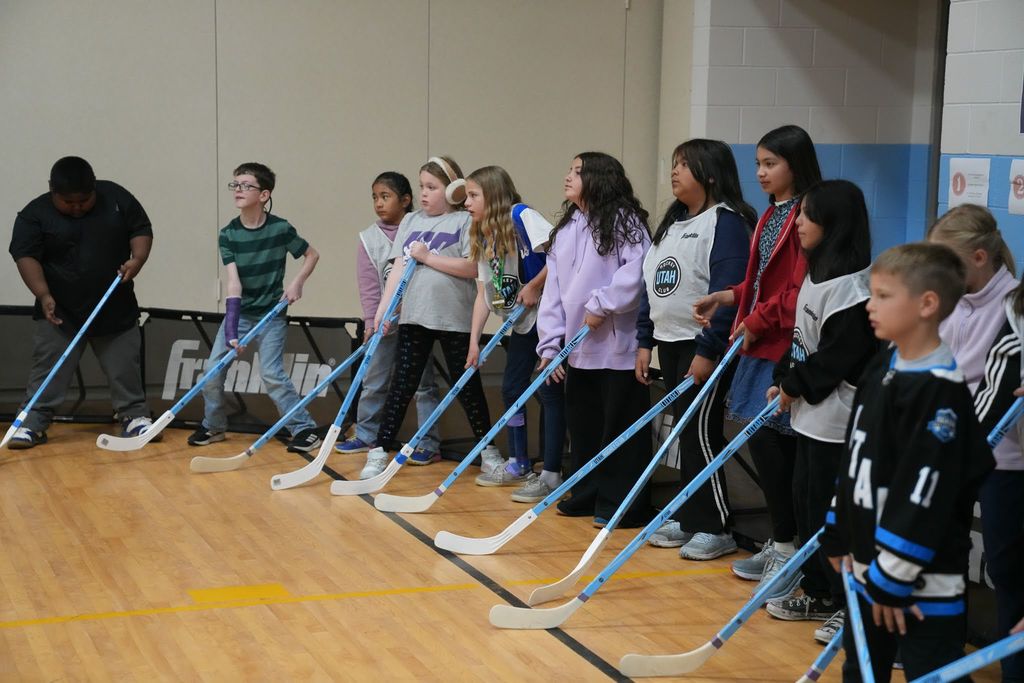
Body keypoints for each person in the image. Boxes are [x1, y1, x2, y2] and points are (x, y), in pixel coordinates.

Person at [822, 242, 994, 682]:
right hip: (866, 569)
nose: (869, 306)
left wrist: (892, 577)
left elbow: (925, 494)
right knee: (861, 670)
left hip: (919, 583)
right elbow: (855, 457)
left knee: (933, 672)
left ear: (927, 304)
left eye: (882, 296)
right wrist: (838, 530)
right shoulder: (881, 368)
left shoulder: (940, 394)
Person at [694, 124, 823, 598]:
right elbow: (763, 281)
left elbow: (797, 292)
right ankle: (781, 538)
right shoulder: (772, 214)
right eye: (758, 165)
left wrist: (758, 318)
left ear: (796, 164)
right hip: (758, 341)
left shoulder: (809, 212)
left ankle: (791, 548)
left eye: (771, 164)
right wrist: (730, 296)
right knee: (766, 449)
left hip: (784, 346)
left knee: (782, 452)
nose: (762, 173)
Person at [763, 180, 877, 644]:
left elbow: (836, 358)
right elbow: (800, 341)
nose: (799, 223)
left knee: (833, 517)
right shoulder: (814, 274)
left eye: (807, 215)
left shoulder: (854, 289)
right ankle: (817, 589)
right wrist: (782, 375)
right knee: (805, 505)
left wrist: (796, 385)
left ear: (833, 223)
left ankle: (846, 604)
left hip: (839, 421)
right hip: (809, 419)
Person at [635, 139, 753, 560]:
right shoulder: (671, 225)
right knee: (684, 432)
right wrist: (644, 341)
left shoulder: (726, 222)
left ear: (710, 172)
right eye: (673, 164)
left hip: (703, 345)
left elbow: (729, 291)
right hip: (670, 343)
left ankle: (713, 525)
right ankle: (690, 515)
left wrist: (709, 348)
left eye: (684, 165)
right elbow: (650, 287)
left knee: (700, 430)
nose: (675, 171)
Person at [360, 156, 501, 479]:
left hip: (453, 317)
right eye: (422, 186)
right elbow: (397, 268)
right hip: (414, 316)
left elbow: (471, 267)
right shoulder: (410, 222)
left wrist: (427, 257)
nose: (424, 193)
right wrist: (382, 313)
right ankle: (380, 450)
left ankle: (489, 451)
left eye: (432, 187)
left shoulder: (466, 221)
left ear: (453, 190)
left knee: (467, 387)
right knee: (402, 385)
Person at [536, 152, 653, 528]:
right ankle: (587, 493)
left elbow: (636, 274)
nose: (568, 176)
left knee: (619, 428)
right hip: (577, 349)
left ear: (600, 178)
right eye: (569, 169)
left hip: (617, 348)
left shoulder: (625, 221)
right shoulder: (568, 227)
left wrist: (602, 304)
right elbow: (553, 292)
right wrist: (550, 344)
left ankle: (623, 504)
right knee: (583, 427)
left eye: (578, 171)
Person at [8, 156, 156, 448]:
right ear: (52, 191)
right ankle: (32, 423)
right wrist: (44, 295)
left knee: (124, 366)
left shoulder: (116, 197)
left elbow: (141, 229)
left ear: (94, 189)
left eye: (84, 200)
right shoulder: (34, 214)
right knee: (49, 369)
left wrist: (136, 260)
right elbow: (25, 256)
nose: (76, 207)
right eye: (68, 202)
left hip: (114, 306)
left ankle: (134, 417)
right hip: (60, 311)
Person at [187, 162, 321, 452]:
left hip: (272, 314)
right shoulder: (228, 234)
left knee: (272, 374)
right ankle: (214, 426)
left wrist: (297, 282)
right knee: (212, 371)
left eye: (246, 185)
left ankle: (305, 429)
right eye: (235, 184)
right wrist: (232, 329)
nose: (238, 190)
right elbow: (233, 284)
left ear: (263, 195)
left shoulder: (280, 229)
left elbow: (311, 255)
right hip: (242, 313)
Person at [462, 165, 566, 502]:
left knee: (549, 393)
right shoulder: (481, 234)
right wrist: (474, 341)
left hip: (546, 319)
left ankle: (551, 472)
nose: (467, 203)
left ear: (492, 195)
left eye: (473, 195)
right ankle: (518, 461)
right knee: (511, 390)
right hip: (519, 323)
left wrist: (535, 285)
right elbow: (483, 294)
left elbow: (562, 254)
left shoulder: (522, 216)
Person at [335, 172, 442, 463]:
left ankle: (427, 443)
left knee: (423, 383)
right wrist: (371, 322)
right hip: (385, 323)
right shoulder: (369, 239)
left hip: (418, 321)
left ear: (405, 200)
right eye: (375, 197)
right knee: (374, 378)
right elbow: (369, 285)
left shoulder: (423, 227)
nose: (379, 203)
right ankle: (366, 434)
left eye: (386, 196)